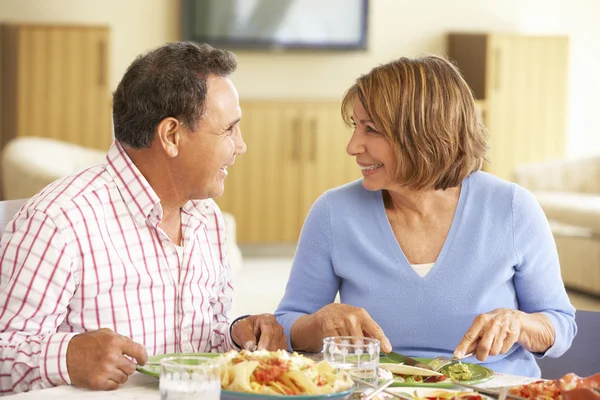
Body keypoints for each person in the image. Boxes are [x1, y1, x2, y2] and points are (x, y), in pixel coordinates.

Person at [0, 41, 286, 395]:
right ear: (171, 135)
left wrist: (234, 334)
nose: (240, 146)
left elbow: (200, 340)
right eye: (229, 129)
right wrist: (67, 357)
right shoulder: (59, 221)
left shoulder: (207, 217)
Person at [275, 55, 576, 377]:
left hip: (494, 392)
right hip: (379, 392)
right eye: (355, 126)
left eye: (371, 129)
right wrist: (320, 323)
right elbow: (288, 323)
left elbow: (559, 324)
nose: (353, 146)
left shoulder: (512, 207)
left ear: (425, 134)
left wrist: (520, 324)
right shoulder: (334, 212)